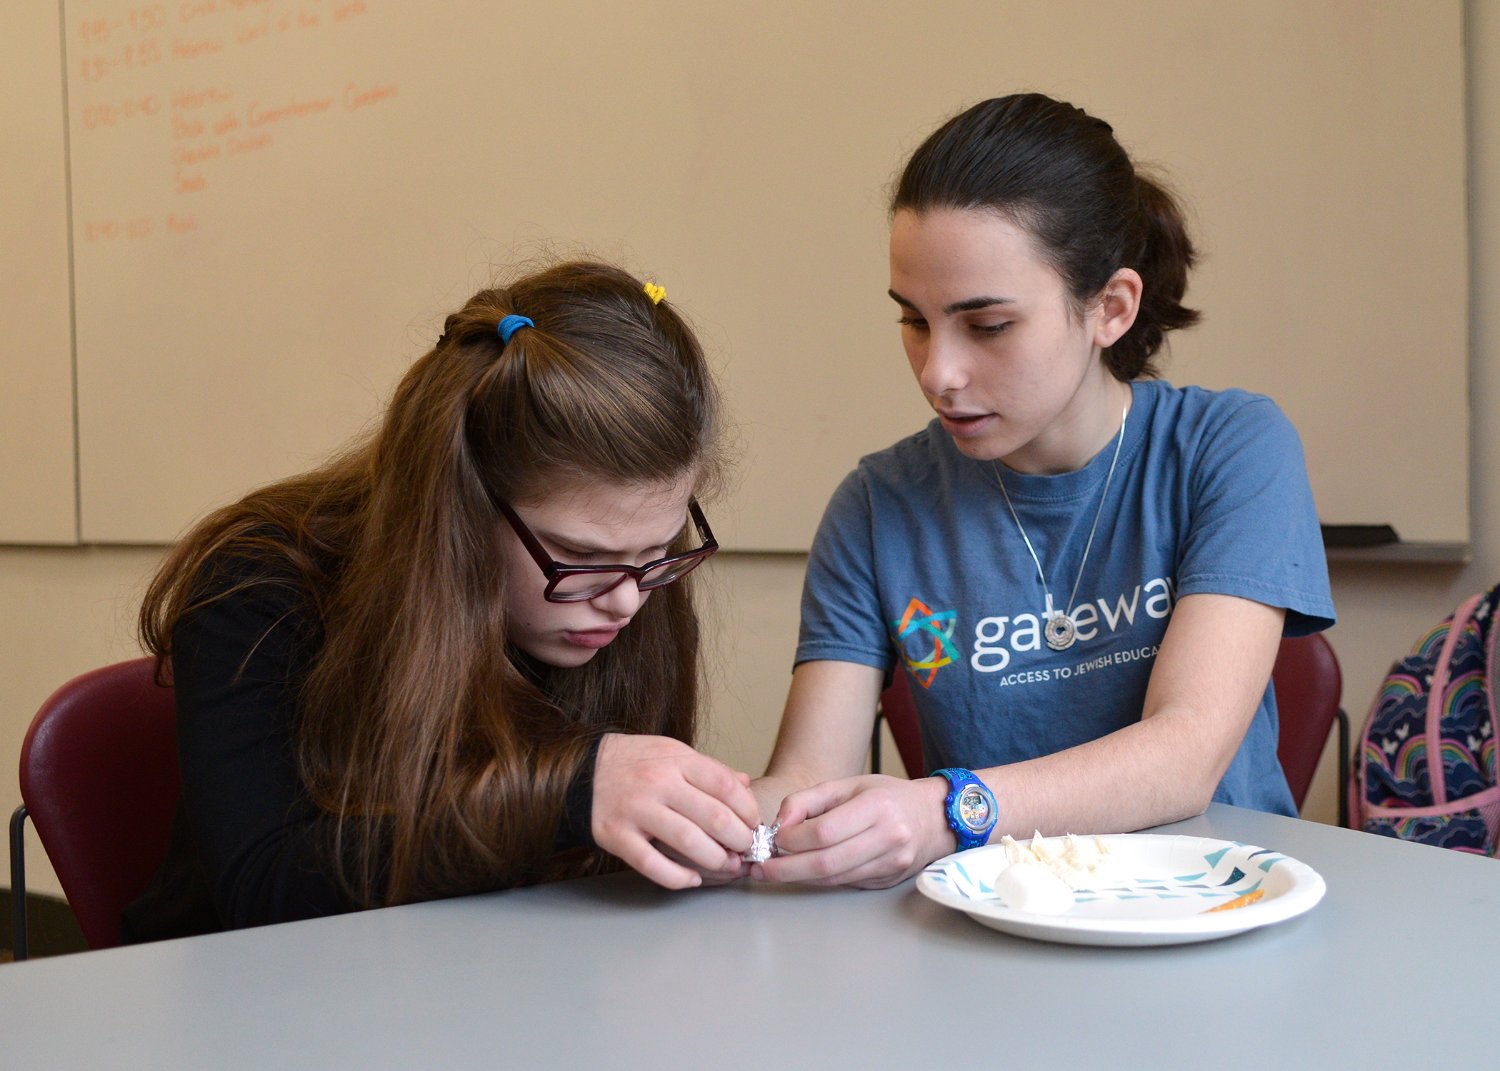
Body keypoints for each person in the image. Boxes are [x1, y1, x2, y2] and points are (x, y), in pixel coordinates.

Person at [752, 93, 1335, 889]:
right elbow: (805, 782)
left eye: (987, 326)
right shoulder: (878, 504)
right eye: (914, 321)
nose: (937, 373)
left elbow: (1185, 756)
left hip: (1212, 911)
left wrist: (948, 810)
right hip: (993, 925)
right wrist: (720, 815)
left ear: (1110, 308)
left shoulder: (1230, 446)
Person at [122, 260, 760, 941]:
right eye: (582, 556)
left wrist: (731, 833)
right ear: (462, 505)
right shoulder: (259, 579)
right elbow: (265, 889)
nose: (626, 602)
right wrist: (567, 794)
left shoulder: (628, 575)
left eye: (657, 550)